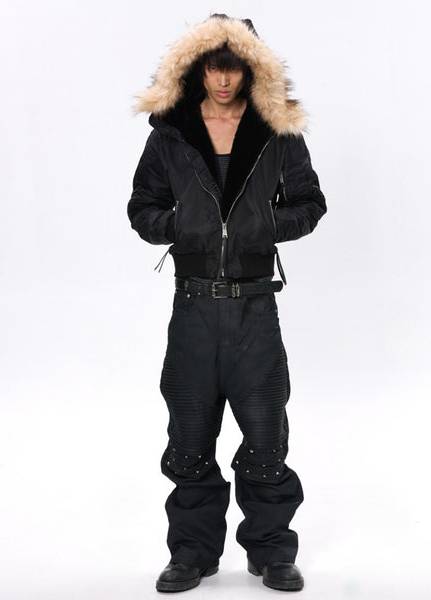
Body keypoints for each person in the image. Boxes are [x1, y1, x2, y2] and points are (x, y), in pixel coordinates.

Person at [127, 14, 327, 593]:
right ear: (196, 68)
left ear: (250, 69)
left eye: (233, 68)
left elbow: (310, 204)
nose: (222, 79)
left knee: (266, 437)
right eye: (213, 67)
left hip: (255, 309)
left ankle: (272, 552)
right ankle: (192, 553)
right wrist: (180, 227)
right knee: (189, 440)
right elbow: (141, 208)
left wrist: (265, 224)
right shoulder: (170, 133)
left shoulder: (277, 131)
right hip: (192, 309)